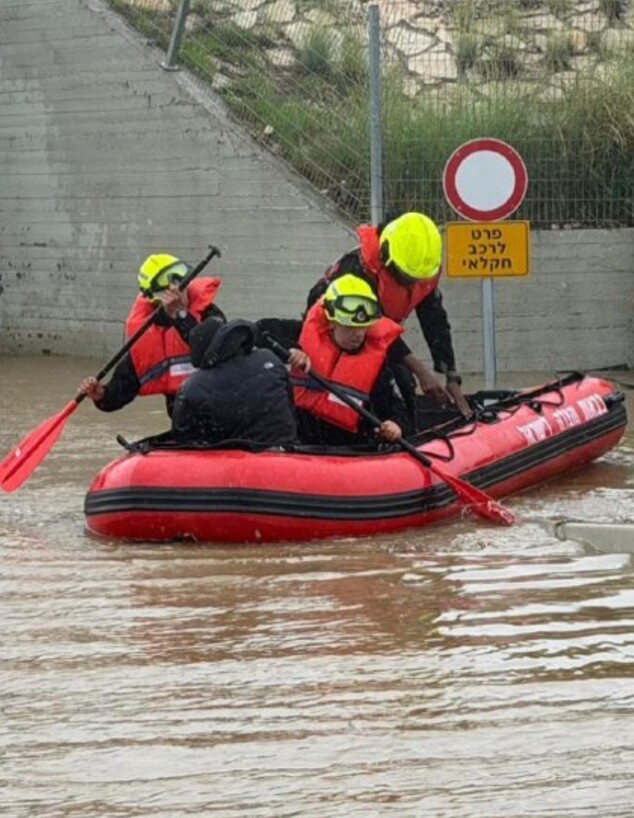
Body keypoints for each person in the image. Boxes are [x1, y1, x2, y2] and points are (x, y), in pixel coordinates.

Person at [306, 211, 471, 416]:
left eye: (417, 278)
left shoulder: (420, 270)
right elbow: (376, 326)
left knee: (402, 382)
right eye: (407, 276)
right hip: (340, 335)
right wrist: (421, 371)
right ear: (386, 255)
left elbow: (435, 322)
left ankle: (401, 425)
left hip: (375, 335)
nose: (412, 283)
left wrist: (451, 375)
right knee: (393, 382)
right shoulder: (358, 271)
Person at [79, 253, 225, 416]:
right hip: (186, 422)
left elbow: (213, 351)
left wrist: (181, 316)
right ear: (157, 298)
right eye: (171, 292)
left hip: (223, 412)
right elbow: (120, 391)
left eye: (183, 286)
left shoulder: (210, 315)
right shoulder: (147, 336)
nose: (181, 294)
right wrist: (101, 395)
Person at [290, 273, 412, 447]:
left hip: (348, 447)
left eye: (363, 328)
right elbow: (262, 331)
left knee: (403, 376)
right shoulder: (301, 336)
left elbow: (397, 409)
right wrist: (292, 349)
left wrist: (396, 425)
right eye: (350, 327)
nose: (358, 335)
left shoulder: (376, 368)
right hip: (301, 438)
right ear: (332, 322)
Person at [171, 317, 300, 446]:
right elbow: (291, 408)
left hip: (235, 454)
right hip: (286, 448)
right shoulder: (269, 358)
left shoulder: (194, 386)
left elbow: (184, 439)